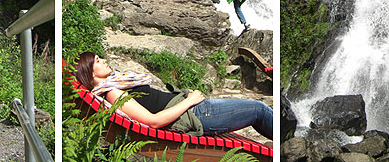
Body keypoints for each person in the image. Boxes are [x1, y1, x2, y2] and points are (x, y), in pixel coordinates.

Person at [74, 52, 272, 139]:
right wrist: (190, 101)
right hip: (196, 114)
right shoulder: (112, 94)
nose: (105, 60)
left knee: (258, 111)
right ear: (90, 72)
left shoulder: (114, 87)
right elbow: (153, 121)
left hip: (194, 109)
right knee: (259, 110)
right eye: (99, 61)